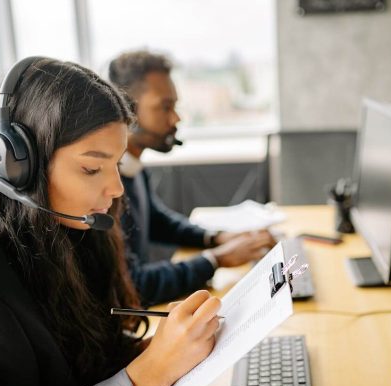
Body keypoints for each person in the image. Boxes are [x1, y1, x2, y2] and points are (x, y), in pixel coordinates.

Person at [0, 57, 221, 386]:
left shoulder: (61, 231)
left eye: (116, 163)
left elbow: (82, 369)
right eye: (92, 168)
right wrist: (150, 373)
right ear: (20, 167)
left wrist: (169, 348)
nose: (117, 188)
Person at [108, 50, 276, 306]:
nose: (176, 118)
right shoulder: (107, 188)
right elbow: (133, 285)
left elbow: (157, 220)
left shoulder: (132, 166)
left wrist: (216, 238)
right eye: (165, 107)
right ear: (127, 109)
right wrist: (215, 259)